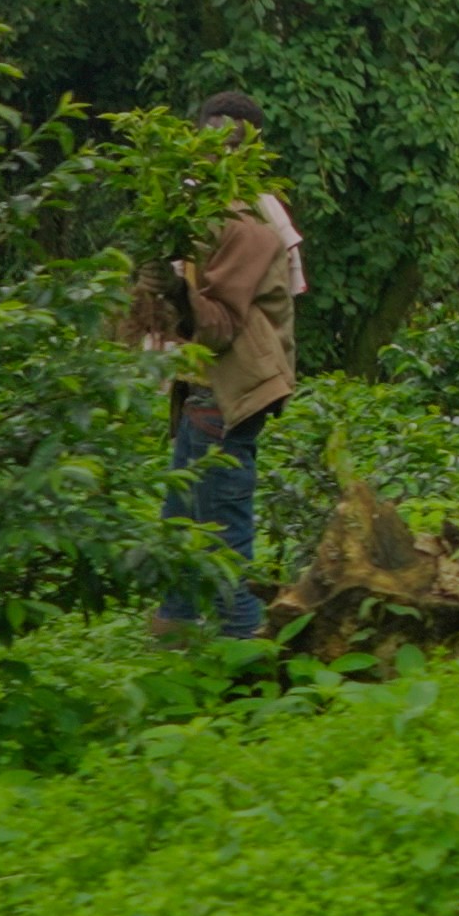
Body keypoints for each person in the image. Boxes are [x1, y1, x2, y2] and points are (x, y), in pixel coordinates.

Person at [150, 91, 305, 641]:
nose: (218, 153)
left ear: (253, 151)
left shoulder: (250, 222)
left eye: (233, 144)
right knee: (181, 520)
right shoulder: (198, 211)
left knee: (221, 533)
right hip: (203, 388)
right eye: (210, 140)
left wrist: (179, 291)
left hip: (228, 393)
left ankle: (247, 645)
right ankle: (175, 626)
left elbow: (218, 326)